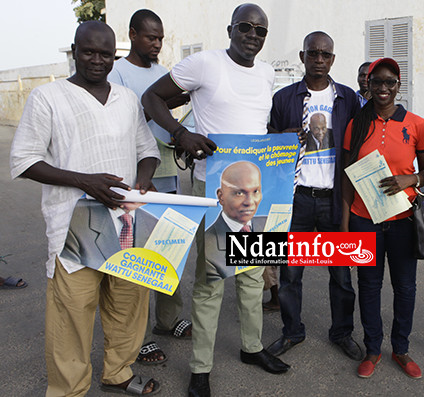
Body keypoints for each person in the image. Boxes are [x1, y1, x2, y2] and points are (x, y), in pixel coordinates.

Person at [142, 4, 289, 396]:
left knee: (253, 276)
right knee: (211, 282)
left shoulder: (266, 72)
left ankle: (252, 347)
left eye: (261, 30)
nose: (253, 35)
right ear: (230, 29)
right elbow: (151, 98)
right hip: (214, 191)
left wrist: (284, 140)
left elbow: (254, 124)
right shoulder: (204, 64)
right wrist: (179, 133)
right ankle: (201, 368)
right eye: (245, 27)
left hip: (260, 191)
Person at [10, 21, 161, 396]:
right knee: (71, 316)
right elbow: (24, 160)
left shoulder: (126, 99)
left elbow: (148, 151)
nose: (97, 60)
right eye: (88, 52)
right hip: (71, 229)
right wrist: (84, 181)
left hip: (125, 224)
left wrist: (142, 180)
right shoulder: (47, 97)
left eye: (105, 54)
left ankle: (118, 373)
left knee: (127, 306)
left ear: (116, 56)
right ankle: (68, 389)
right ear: (74, 51)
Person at [267, 31, 363, 362]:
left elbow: (362, 141)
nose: (319, 59)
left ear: (333, 59)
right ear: (302, 56)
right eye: (313, 53)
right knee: (291, 272)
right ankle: (292, 331)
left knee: (341, 272)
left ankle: (342, 332)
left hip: (335, 198)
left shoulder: (347, 98)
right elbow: (268, 145)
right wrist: (280, 137)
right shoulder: (284, 98)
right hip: (298, 198)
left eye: (325, 54)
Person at [107, 8, 192, 366]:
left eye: (160, 38)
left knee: (168, 249)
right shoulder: (115, 73)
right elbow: (120, 123)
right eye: (150, 37)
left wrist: (174, 110)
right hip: (134, 176)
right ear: (133, 34)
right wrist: (158, 105)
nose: (157, 43)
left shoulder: (164, 75)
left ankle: (167, 319)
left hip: (167, 171)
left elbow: (172, 119)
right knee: (136, 259)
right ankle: (136, 337)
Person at [341, 57, 424, 379]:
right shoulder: (357, 123)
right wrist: (343, 223)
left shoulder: (416, 125)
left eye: (389, 82)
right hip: (364, 218)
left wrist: (411, 180)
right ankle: (372, 349)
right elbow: (346, 177)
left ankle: (401, 348)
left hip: (403, 219)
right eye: (376, 81)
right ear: (367, 84)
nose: (382, 88)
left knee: (405, 286)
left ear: (398, 85)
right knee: (368, 285)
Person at [204, 161, 267, 280]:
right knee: (209, 290)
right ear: (221, 196)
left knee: (253, 280)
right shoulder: (210, 242)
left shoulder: (266, 225)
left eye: (255, 191)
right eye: (239, 193)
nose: (249, 202)